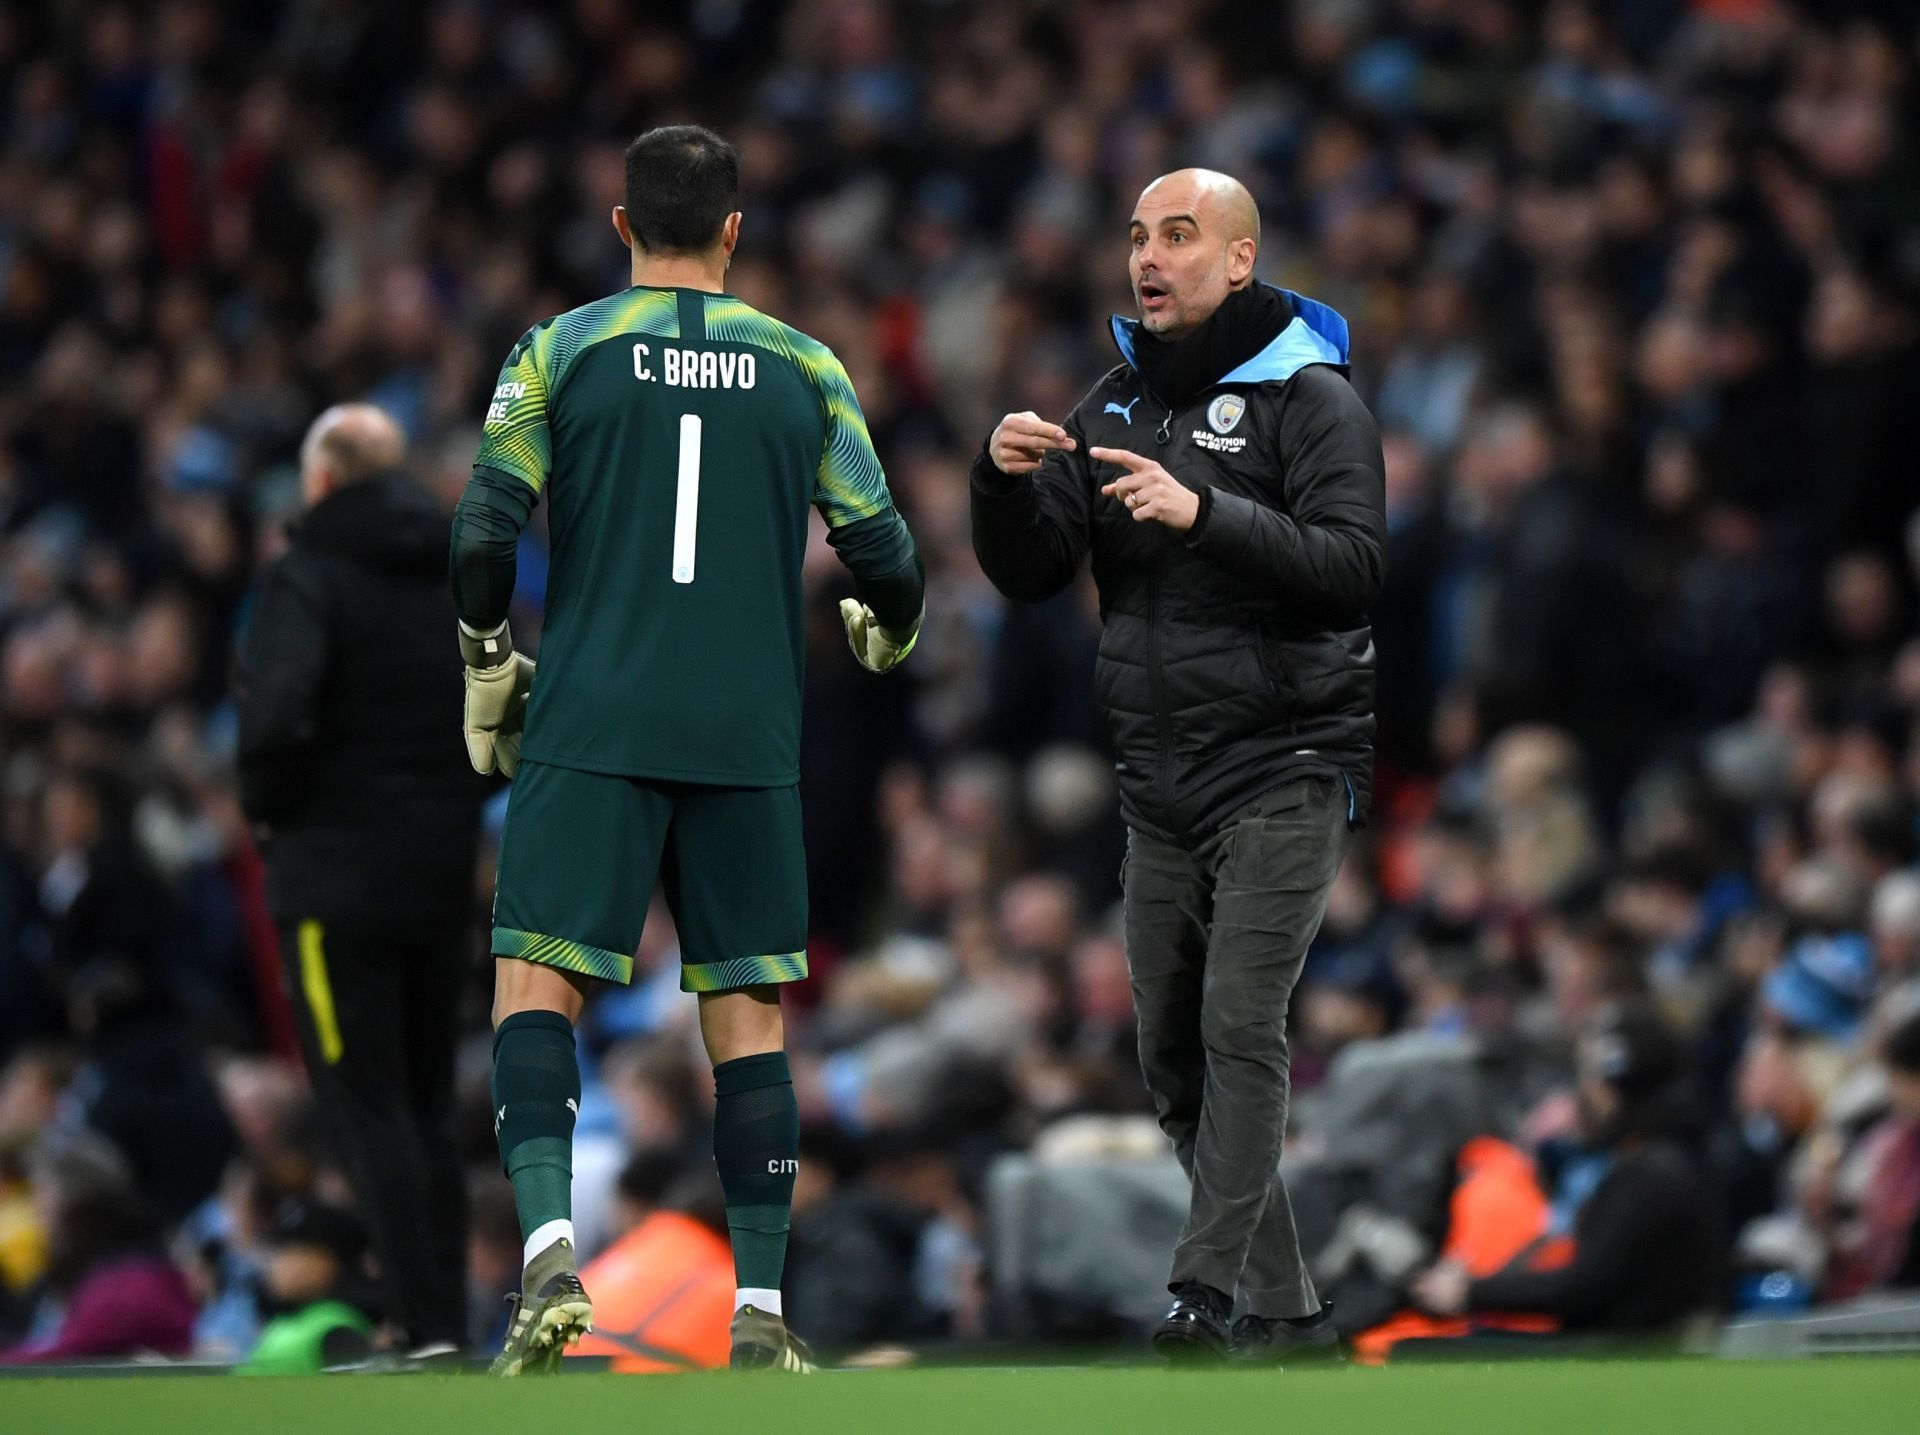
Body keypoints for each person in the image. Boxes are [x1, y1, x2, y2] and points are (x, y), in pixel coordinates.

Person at [451, 124, 923, 1376]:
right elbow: (889, 555)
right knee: (749, 1014)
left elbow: (484, 528)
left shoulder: (559, 350)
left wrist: (490, 656)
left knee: (535, 983)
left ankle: (549, 1247)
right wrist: (888, 627)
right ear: (732, 231)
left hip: (593, 720)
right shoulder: (807, 364)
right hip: (745, 735)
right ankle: (761, 1312)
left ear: (621, 229)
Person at [970, 168, 1386, 1364]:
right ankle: (1295, 1315)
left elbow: (1356, 564)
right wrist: (997, 488)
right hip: (1158, 784)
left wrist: (1205, 513)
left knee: (1239, 1021)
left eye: (1182, 236)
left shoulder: (1310, 399)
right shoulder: (1110, 406)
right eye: (1140, 236)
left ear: (1242, 260)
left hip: (1285, 758)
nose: (1150, 257)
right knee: (1170, 1062)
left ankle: (1205, 1297)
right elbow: (1035, 569)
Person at [233, 404, 483, 1355]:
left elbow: (278, 716)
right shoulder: (455, 576)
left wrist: (267, 808)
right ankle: (444, 1323)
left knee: (364, 1101)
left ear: (324, 480)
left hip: (334, 881)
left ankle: (418, 1325)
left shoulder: (308, 576)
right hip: (439, 875)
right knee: (424, 1101)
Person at [1407, 1004, 1726, 1338]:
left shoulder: (1651, 1172)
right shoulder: (1669, 1158)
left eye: (1587, 1075)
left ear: (1612, 1084)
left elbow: (1583, 1285)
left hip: (1638, 1358)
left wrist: (1470, 1292)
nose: (1581, 1092)